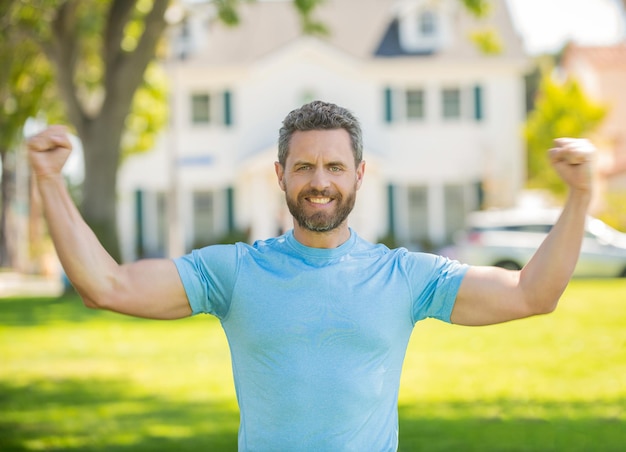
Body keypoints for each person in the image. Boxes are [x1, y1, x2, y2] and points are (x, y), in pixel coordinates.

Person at [27, 100, 595, 451]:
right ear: (279, 174)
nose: (318, 180)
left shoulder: (404, 276)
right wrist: (50, 180)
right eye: (303, 166)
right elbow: (107, 287)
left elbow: (532, 293)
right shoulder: (234, 271)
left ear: (359, 174)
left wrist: (581, 194)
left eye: (333, 166)